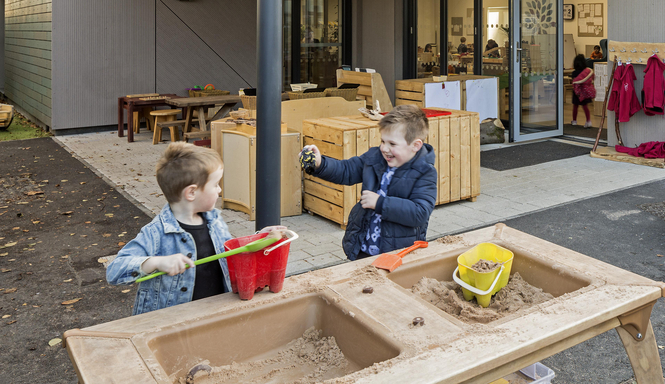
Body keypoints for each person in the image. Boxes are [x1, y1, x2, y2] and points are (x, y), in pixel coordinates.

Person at [106, 143, 286, 315]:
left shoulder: (215, 221)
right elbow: (114, 271)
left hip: (215, 314)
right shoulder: (156, 233)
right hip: (175, 324)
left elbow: (233, 253)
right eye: (215, 184)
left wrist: (261, 238)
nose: (219, 190)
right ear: (191, 192)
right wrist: (155, 262)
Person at [299, 105, 437, 260]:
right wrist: (320, 163)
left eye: (392, 144)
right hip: (363, 249)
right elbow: (346, 170)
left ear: (415, 146)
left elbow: (420, 213)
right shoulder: (375, 158)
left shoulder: (425, 172)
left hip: (397, 255)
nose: (384, 148)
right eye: (383, 141)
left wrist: (380, 203)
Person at [570, 54, 596, 127]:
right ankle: (588, 121)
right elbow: (593, 78)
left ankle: (574, 120)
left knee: (575, 106)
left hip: (577, 92)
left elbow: (574, 82)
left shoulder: (574, 73)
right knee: (585, 106)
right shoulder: (588, 71)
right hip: (585, 91)